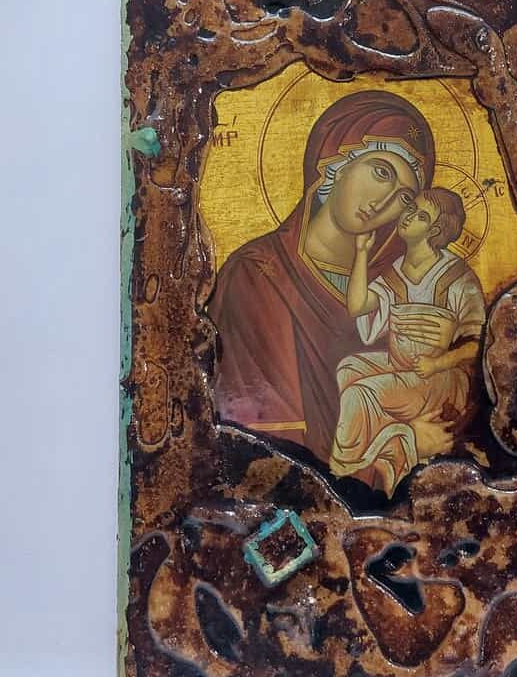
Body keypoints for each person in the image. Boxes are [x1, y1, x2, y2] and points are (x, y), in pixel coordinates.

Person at [207, 91, 434, 463]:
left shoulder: (391, 292)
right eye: (381, 172)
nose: (384, 202)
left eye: (405, 197)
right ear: (337, 161)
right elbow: (261, 434)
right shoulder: (257, 273)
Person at [329, 187, 486, 496]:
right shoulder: (398, 272)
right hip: (404, 367)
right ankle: (389, 448)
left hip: (440, 377)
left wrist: (438, 363)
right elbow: (358, 306)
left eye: (421, 216)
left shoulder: (457, 277)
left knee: (360, 395)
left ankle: (345, 475)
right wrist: (361, 252)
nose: (409, 216)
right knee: (348, 368)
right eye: (411, 208)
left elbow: (479, 344)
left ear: (435, 231)